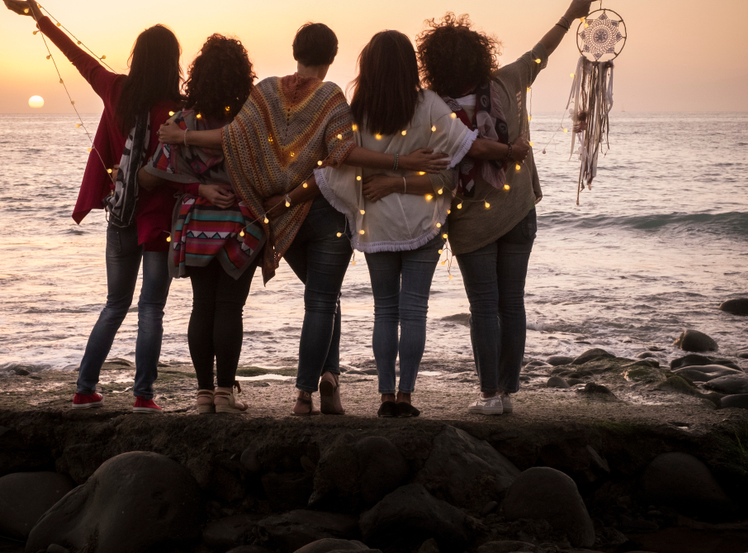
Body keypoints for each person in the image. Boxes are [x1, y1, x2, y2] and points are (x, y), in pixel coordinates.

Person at [159, 23, 449, 416]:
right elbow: (342, 154)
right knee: (323, 301)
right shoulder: (331, 97)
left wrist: (185, 138)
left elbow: (233, 138)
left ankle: (312, 391)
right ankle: (311, 389)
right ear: (331, 57)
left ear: (295, 50)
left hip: (283, 216)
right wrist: (402, 162)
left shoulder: (265, 93)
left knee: (320, 301)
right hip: (325, 213)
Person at [316, 30, 529, 417]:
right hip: (424, 221)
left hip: (377, 223)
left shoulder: (357, 111)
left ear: (368, 66)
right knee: (414, 311)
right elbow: (467, 148)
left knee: (385, 310)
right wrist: (511, 150)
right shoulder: (428, 104)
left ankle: (384, 398)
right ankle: (406, 398)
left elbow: (340, 161)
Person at [415, 0, 601, 415]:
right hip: (518, 210)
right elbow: (541, 53)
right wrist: (569, 15)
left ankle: (490, 396)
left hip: (468, 222)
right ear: (479, 55)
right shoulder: (504, 83)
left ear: (435, 62)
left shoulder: (430, 107)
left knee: (483, 306)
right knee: (511, 302)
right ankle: (508, 393)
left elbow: (435, 161)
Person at [0, 0, 182, 413]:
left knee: (115, 304)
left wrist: (40, 18)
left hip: (120, 214)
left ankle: (84, 388)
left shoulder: (117, 89)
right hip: (158, 220)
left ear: (138, 57)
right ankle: (143, 397)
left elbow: (78, 58)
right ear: (173, 62)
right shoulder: (176, 110)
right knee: (151, 308)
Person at [140, 34, 259, 414]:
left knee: (202, 306)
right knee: (230, 309)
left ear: (198, 76)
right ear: (243, 77)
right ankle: (225, 394)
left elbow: (148, 176)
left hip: (194, 226)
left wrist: (195, 186)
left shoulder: (183, 122)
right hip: (241, 225)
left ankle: (203, 395)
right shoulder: (249, 121)